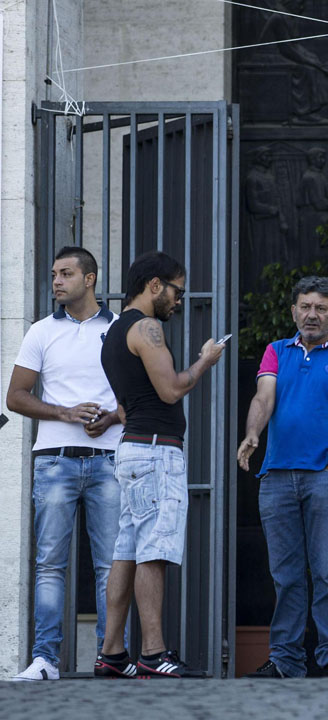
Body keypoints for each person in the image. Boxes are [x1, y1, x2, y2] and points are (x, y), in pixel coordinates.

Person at [95, 251, 227, 678]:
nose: (178, 301)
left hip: (132, 448)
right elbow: (171, 390)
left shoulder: (113, 333)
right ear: (155, 285)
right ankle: (153, 654)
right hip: (155, 452)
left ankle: (112, 654)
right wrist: (206, 360)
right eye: (177, 291)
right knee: (154, 549)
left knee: (126, 551)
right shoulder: (146, 327)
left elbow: (124, 406)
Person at [237, 276, 328, 679]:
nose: (311, 314)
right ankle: (286, 660)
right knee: (286, 574)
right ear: (293, 311)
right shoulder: (276, 351)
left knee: (327, 568)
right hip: (276, 477)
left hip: (325, 477)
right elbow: (264, 398)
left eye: (320, 308)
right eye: (304, 306)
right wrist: (252, 433)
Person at [6, 247, 123, 681]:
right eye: (54, 274)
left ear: (89, 279)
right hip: (54, 459)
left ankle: (109, 660)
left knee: (111, 564)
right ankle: (45, 661)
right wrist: (65, 412)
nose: (56, 281)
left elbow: (144, 392)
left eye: (66, 273)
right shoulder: (40, 331)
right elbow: (15, 396)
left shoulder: (118, 329)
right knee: (50, 564)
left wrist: (111, 417)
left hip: (109, 458)